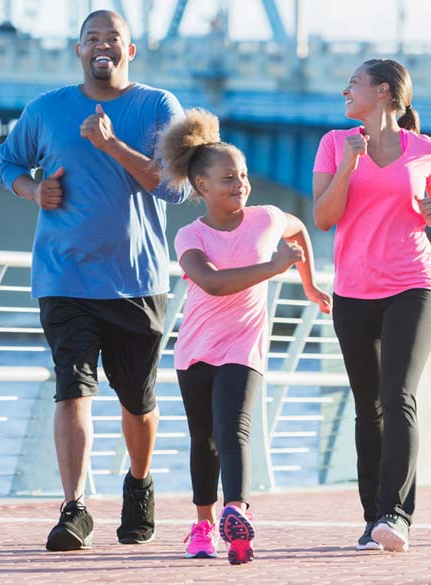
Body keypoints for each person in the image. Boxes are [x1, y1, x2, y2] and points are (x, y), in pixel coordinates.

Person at [0, 10, 189, 551]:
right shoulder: (46, 109)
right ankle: (74, 508)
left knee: (137, 402)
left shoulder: (158, 107)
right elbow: (6, 162)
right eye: (92, 38)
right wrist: (34, 191)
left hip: (136, 280)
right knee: (72, 388)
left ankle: (138, 484)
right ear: (78, 50)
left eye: (113, 38)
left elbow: (175, 189)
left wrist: (111, 145)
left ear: (131, 50)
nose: (103, 46)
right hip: (64, 276)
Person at [157, 109, 332, 564]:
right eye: (229, 178)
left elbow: (298, 231)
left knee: (233, 428)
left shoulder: (266, 218)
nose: (241, 185)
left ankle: (235, 511)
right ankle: (203, 525)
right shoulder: (190, 236)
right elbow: (212, 283)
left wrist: (309, 284)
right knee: (204, 439)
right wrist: (273, 268)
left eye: (244, 175)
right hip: (196, 349)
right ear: (202, 186)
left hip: (244, 346)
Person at [312, 58, 431, 553]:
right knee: (368, 407)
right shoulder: (334, 144)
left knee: (398, 396)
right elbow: (324, 217)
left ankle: (396, 514)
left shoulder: (425, 150)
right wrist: (348, 166)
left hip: (413, 284)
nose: (345, 91)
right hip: (354, 290)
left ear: (382, 92)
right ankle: (372, 517)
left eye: (353, 83)